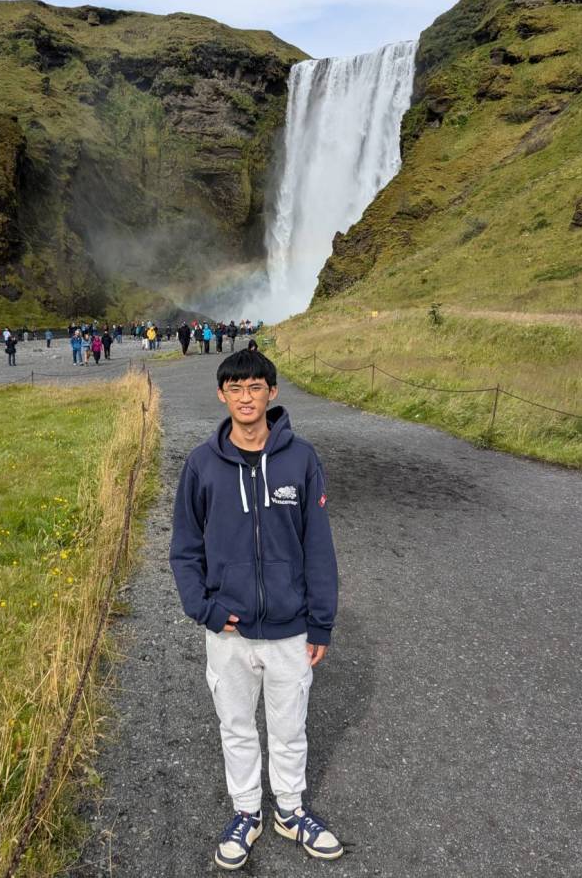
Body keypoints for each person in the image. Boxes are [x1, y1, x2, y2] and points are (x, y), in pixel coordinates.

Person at [170, 350, 343, 871]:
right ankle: (247, 812)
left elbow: (318, 546)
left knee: (289, 728)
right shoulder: (201, 464)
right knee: (237, 726)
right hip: (229, 632)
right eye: (236, 388)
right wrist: (202, 608)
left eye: (255, 387)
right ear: (222, 395)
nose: (246, 398)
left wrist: (321, 622)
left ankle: (290, 810)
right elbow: (184, 548)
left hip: (291, 631)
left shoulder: (301, 459)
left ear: (272, 392)